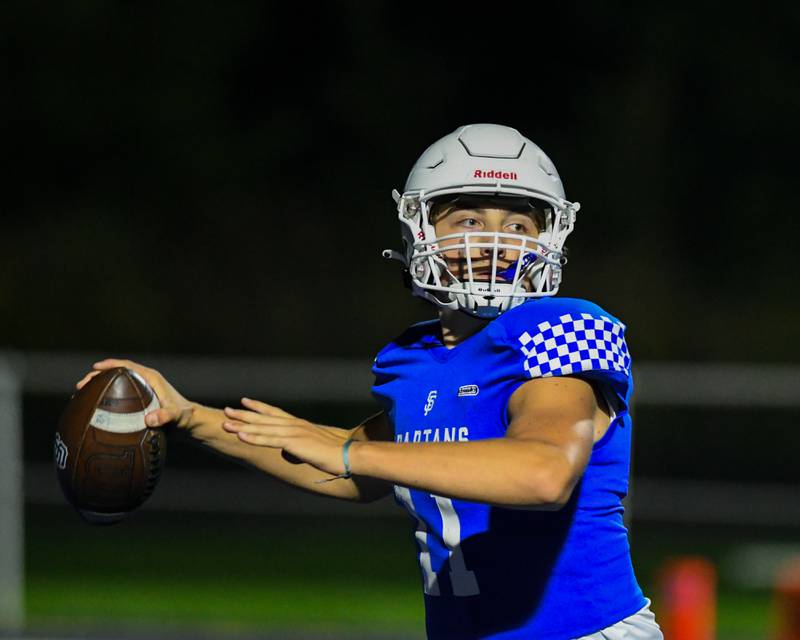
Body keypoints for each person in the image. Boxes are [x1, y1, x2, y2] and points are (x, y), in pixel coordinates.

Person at [77, 123, 662, 639]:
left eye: (516, 223)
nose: (494, 241)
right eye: (468, 219)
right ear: (421, 231)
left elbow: (542, 473)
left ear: (548, 237)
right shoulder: (414, 359)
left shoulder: (560, 328)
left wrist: (354, 453)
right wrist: (188, 417)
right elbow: (346, 471)